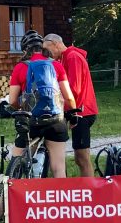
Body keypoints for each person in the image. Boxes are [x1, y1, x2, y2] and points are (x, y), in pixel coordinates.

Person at [7, 30, 78, 181]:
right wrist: (73, 116)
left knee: (14, 168)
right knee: (59, 169)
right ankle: (62, 203)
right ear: (43, 47)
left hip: (31, 121)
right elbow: (70, 98)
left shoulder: (20, 67)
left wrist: (21, 109)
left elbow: (12, 100)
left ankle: (4, 205)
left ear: (25, 50)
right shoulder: (56, 66)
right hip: (55, 120)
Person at [42, 33, 98, 179]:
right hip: (73, 110)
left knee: (81, 157)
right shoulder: (63, 58)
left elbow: (74, 89)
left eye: (47, 50)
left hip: (81, 112)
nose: (47, 54)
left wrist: (57, 101)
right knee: (73, 155)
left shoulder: (72, 57)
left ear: (55, 43)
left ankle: (90, 190)